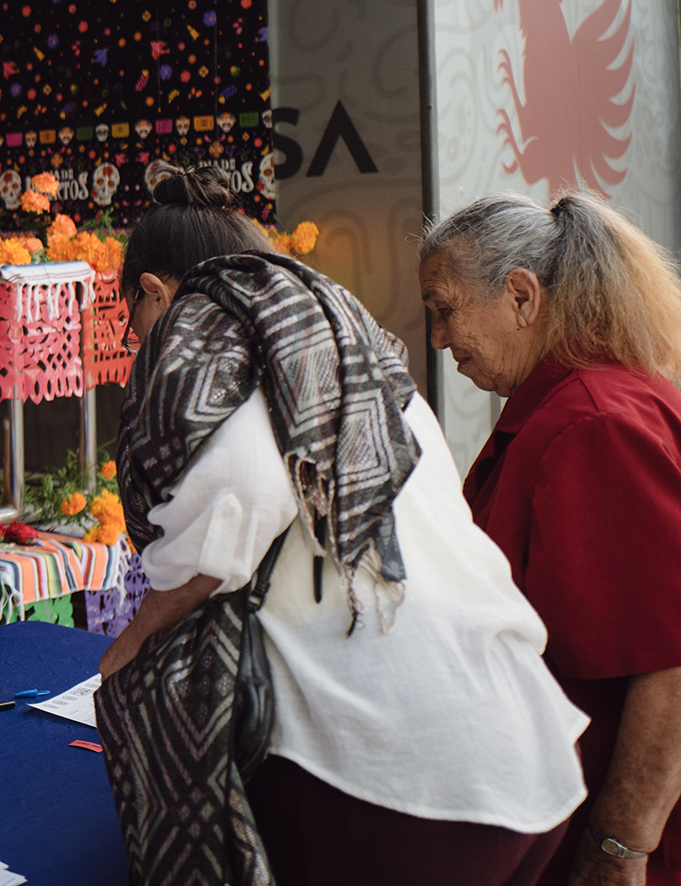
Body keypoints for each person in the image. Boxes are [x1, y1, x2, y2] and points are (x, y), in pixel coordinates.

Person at [97, 163, 585, 886]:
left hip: (405, 785)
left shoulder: (207, 332)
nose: (139, 342)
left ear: (157, 292)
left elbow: (244, 495)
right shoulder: (353, 353)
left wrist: (140, 635)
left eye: (132, 318)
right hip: (520, 749)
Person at [421, 192, 681, 886]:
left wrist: (620, 846)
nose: (439, 339)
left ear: (520, 295)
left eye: (445, 309)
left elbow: (672, 664)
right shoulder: (567, 405)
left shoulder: (591, 424)